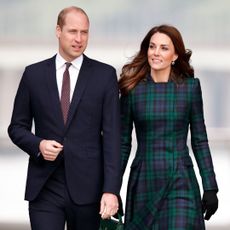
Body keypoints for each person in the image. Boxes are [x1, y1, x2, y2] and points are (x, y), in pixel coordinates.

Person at [8, 6, 121, 230]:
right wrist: (38, 144)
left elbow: (112, 138)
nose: (79, 39)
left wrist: (111, 190)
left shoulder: (105, 75)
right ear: (58, 31)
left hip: (89, 191)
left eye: (84, 32)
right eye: (73, 31)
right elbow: (16, 127)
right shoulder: (33, 74)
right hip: (45, 187)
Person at [119, 24, 218, 229]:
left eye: (164, 48)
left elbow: (200, 140)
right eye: (152, 47)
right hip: (145, 179)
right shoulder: (132, 90)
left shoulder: (190, 88)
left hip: (180, 179)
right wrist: (111, 189)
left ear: (174, 55)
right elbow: (122, 143)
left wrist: (210, 187)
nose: (156, 53)